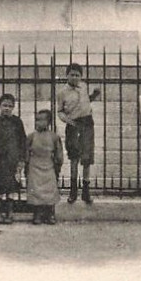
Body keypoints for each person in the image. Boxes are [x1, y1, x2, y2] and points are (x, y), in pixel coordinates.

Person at [57, 63, 101, 204]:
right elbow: (60, 111)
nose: (75, 77)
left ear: (81, 76)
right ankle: (73, 191)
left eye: (78, 75)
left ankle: (86, 192)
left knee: (87, 157)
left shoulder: (84, 87)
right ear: (67, 75)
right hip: (73, 124)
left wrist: (94, 95)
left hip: (87, 123)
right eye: (72, 74)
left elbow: (87, 101)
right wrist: (68, 121)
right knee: (74, 157)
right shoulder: (62, 92)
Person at [0, 93, 27, 224]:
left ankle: (9, 213)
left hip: (12, 160)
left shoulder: (17, 122)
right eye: (4, 105)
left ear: (14, 107)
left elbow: (22, 141)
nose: (7, 108)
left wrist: (21, 160)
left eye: (10, 106)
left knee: (11, 187)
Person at [26, 109, 63, 225]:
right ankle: (37, 213)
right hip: (34, 166)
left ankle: (50, 213)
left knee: (50, 190)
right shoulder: (31, 136)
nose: (39, 123)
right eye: (37, 120)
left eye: (42, 120)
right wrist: (26, 166)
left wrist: (57, 166)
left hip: (48, 166)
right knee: (36, 190)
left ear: (49, 122)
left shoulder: (54, 137)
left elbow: (59, 154)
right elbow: (26, 152)